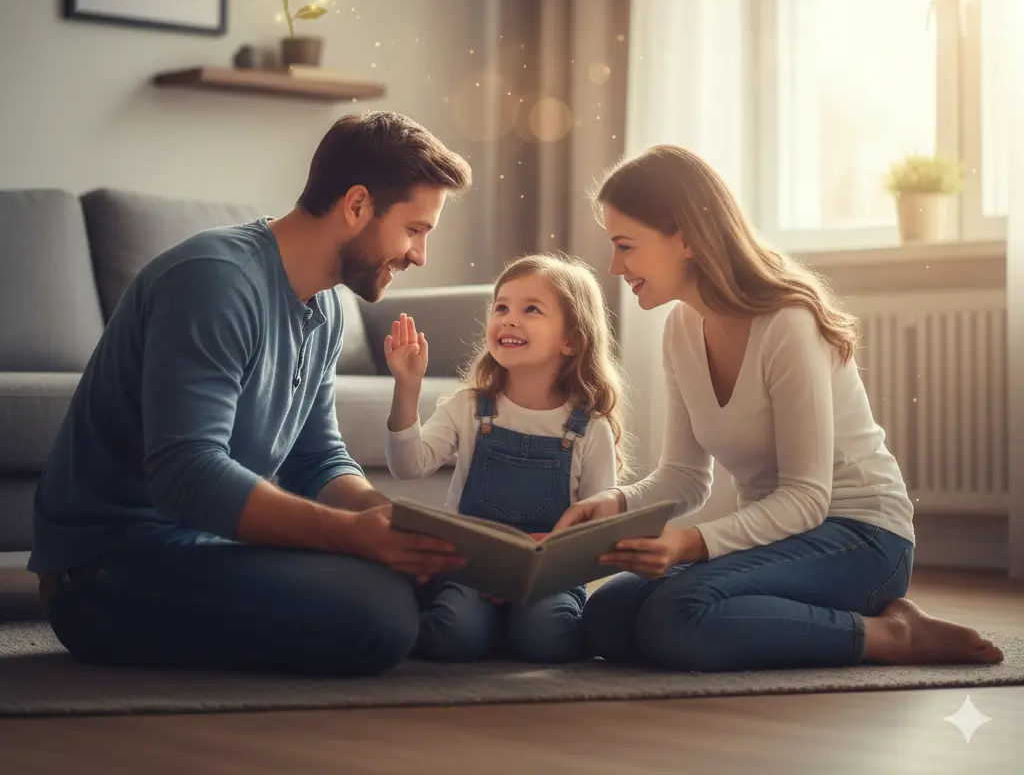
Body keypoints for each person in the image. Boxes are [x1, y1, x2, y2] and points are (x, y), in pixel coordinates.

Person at [29, 111, 475, 676]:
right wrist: (349, 538)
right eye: (415, 230)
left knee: (436, 579)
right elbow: (186, 475)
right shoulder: (213, 281)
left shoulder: (327, 305)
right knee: (378, 613)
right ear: (357, 205)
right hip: (109, 567)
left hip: (204, 545)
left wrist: (394, 523)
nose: (419, 255)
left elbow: (317, 460)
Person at [553, 144, 1004, 671]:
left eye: (625, 246)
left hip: (861, 537)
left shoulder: (787, 321)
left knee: (676, 616)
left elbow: (808, 497)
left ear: (688, 238)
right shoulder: (680, 329)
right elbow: (684, 476)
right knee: (609, 614)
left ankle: (892, 635)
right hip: (777, 537)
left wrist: (693, 544)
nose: (614, 266)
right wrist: (615, 503)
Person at [382, 254, 629, 663]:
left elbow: (595, 529)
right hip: (470, 568)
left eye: (531, 309)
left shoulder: (591, 428)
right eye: (501, 307)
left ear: (572, 340)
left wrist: (547, 556)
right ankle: (467, 619)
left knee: (547, 640)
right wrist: (407, 388)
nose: (509, 319)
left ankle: (506, 627)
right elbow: (408, 466)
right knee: (454, 639)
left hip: (547, 577)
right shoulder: (469, 407)